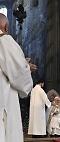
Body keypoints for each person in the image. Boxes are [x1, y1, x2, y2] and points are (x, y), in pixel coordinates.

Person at [0, 13, 36, 142]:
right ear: (6, 27)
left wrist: (20, 63)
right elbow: (17, 73)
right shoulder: (4, 40)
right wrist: (25, 67)